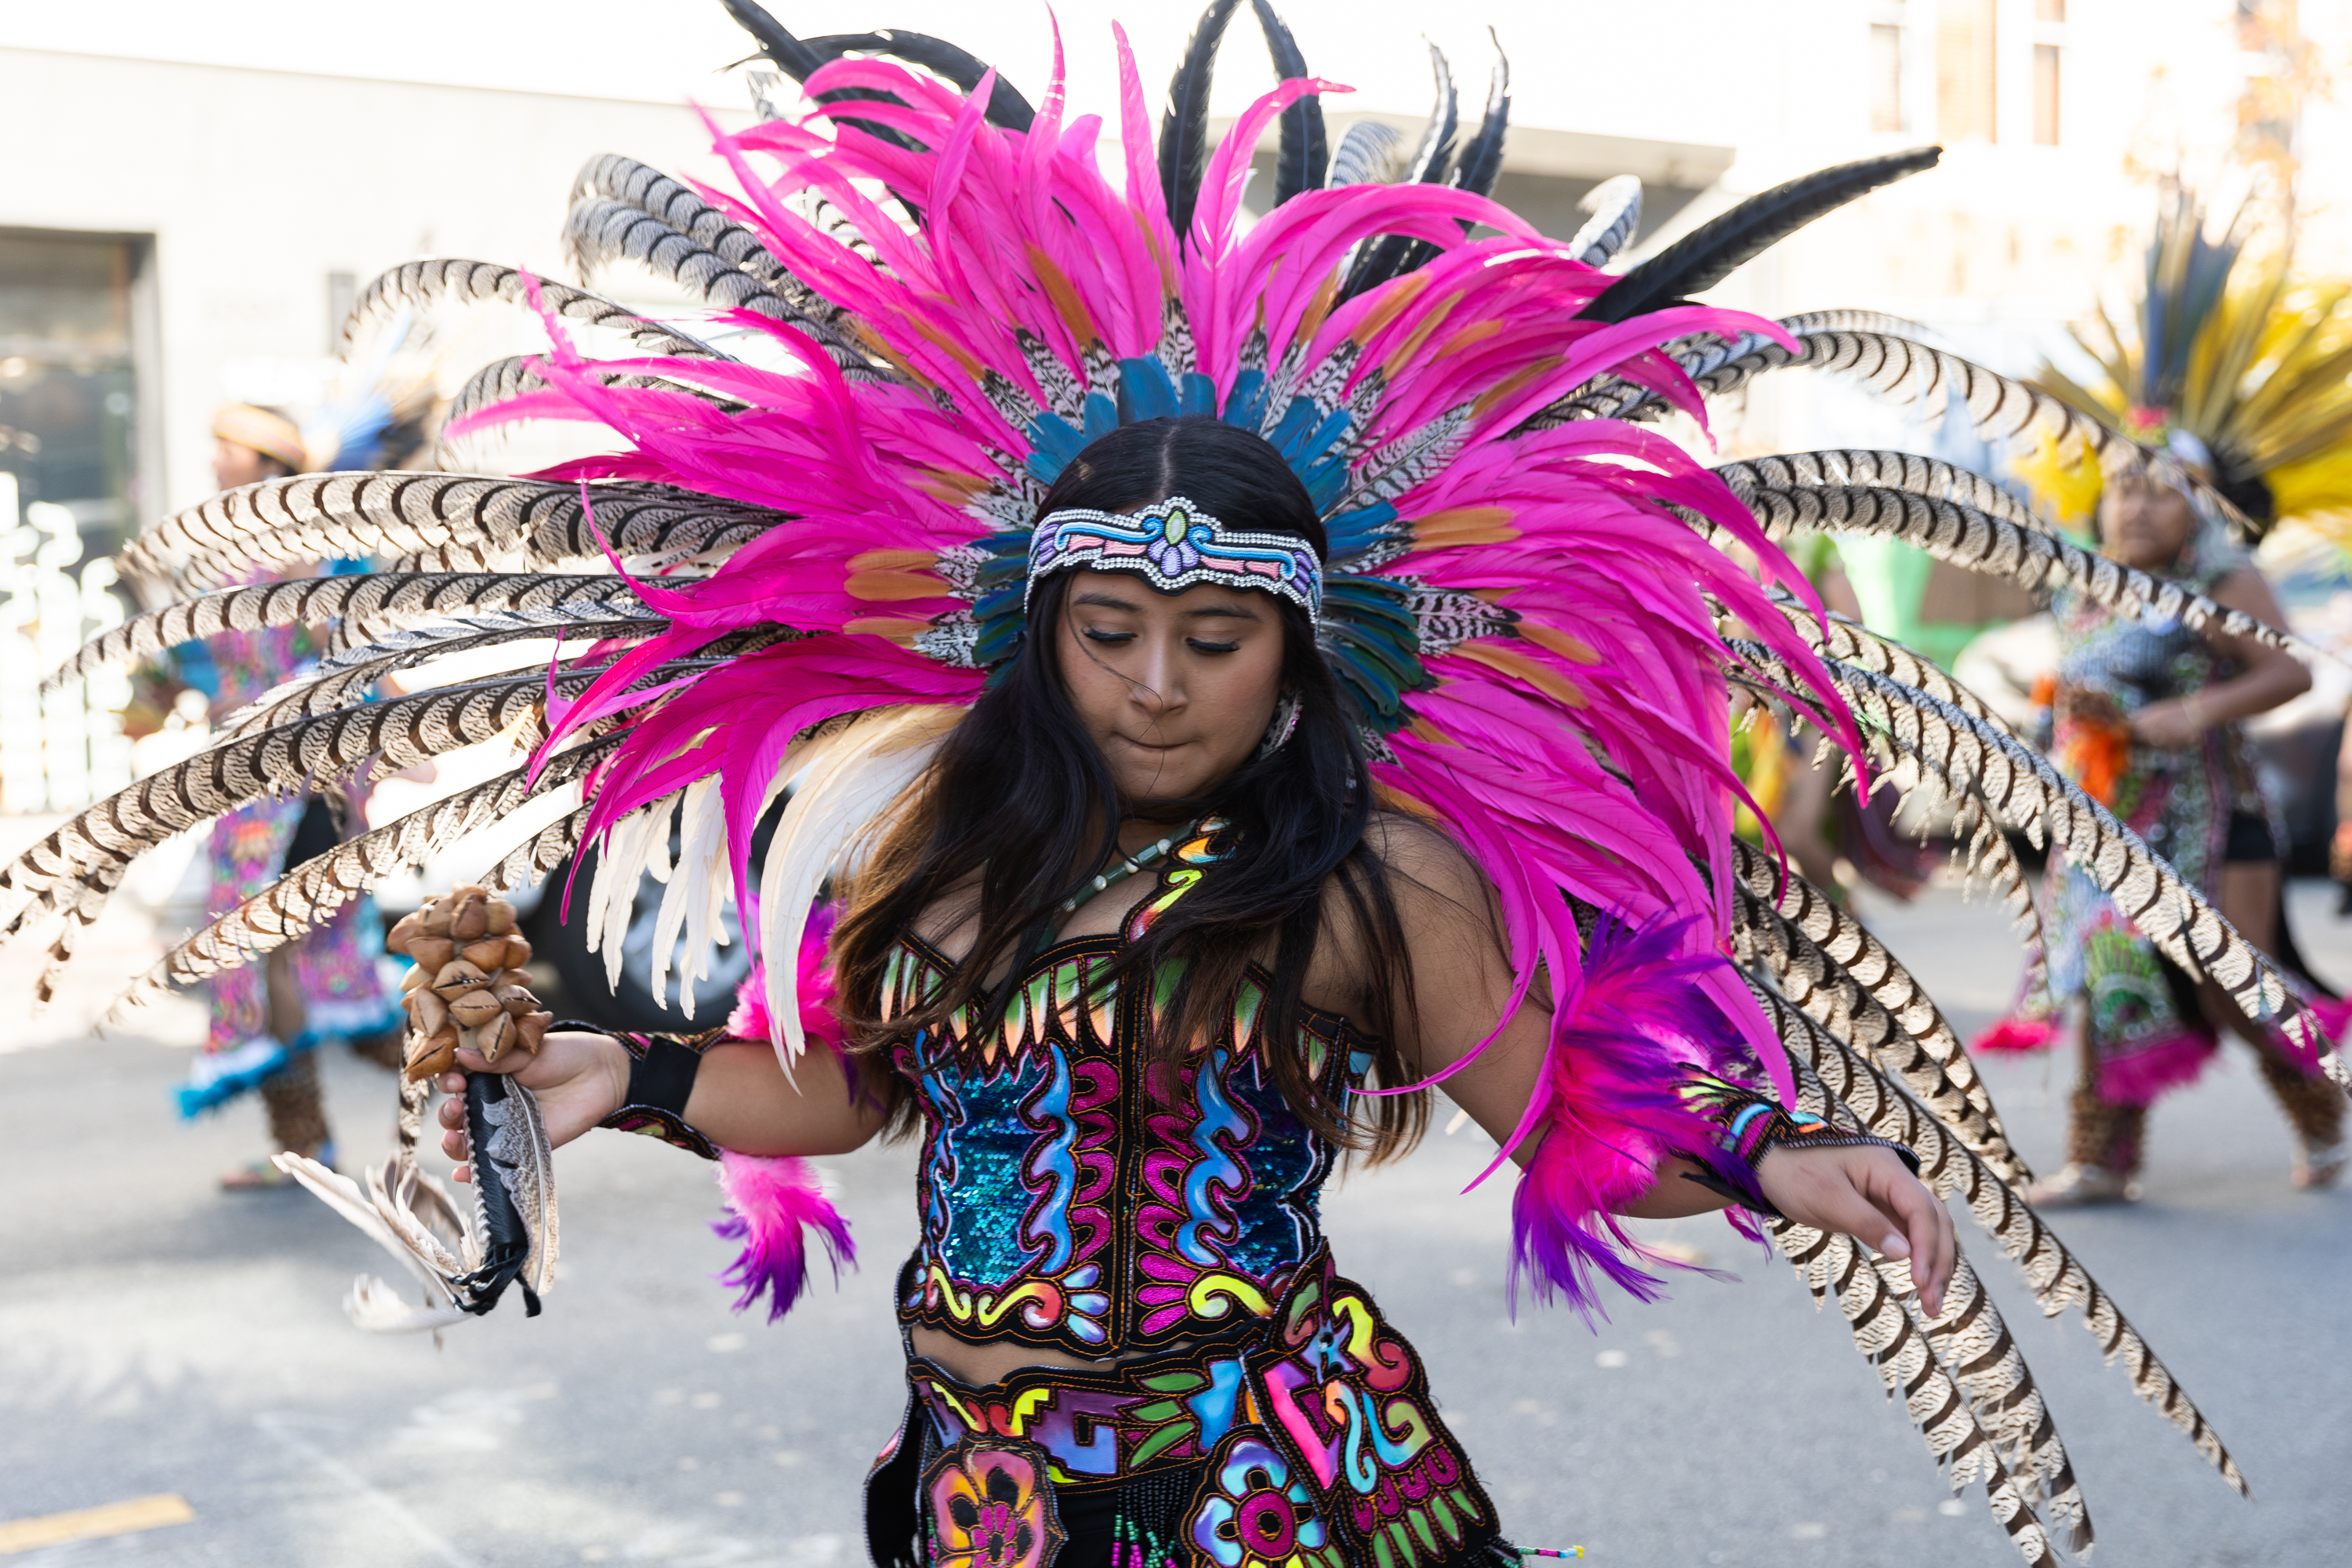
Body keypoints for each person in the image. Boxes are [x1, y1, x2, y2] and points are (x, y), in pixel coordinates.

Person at [27, 4, 2292, 1556]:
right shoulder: (953, 846)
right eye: (1108, 637)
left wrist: (1785, 1153)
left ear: (1299, 658)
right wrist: (606, 1077)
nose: (1155, 685)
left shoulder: (1372, 875)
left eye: (1215, 644)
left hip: (1286, 1481)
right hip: (983, 1485)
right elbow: (855, 1093)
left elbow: (1566, 1113)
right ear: (1038, 640)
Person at [1977, 183, 2352, 1203]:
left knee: (2233, 987)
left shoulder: (2221, 582)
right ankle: (2101, 1157)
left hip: (2213, 817)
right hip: (2103, 819)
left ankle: (2322, 1115)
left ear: (2194, 507)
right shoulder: (2077, 578)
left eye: (2157, 488)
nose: (2134, 503)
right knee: (2105, 976)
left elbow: (2289, 670)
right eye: (2123, 484)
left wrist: (2193, 712)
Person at [170, 404, 402, 1186]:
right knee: (278, 961)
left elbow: (358, 649)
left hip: (307, 786)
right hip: (244, 790)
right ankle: (317, 1133)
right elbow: (223, 667)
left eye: (224, 447)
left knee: (273, 953)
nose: (212, 461)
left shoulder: (314, 547)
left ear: (269, 467)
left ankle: (472, 1069)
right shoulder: (230, 553)